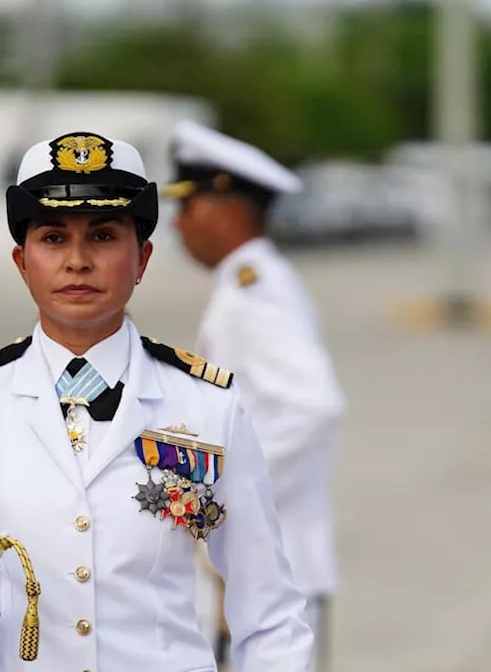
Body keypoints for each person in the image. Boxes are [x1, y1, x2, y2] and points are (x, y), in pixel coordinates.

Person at [0, 131, 314, 672]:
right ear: (23, 263)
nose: (76, 261)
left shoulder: (207, 403)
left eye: (102, 236)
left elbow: (270, 611)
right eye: (52, 238)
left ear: (141, 258)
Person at [164, 120, 345, 671]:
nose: (178, 222)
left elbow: (314, 409)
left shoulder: (252, 293)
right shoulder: (254, 281)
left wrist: (221, 507)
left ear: (227, 205)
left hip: (264, 576)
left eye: (188, 204)